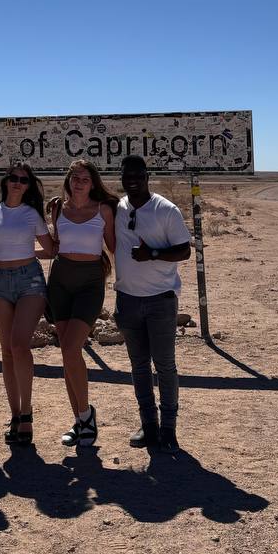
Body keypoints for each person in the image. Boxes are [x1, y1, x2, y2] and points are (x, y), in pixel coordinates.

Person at [114, 156, 192, 451]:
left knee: (165, 365)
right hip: (127, 299)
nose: (133, 180)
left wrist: (154, 254)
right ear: (121, 178)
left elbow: (184, 251)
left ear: (147, 176)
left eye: (138, 175)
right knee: (139, 366)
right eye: (127, 175)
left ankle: (168, 429)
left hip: (160, 300)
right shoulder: (119, 208)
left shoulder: (166, 210)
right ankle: (148, 425)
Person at [0, 162, 56, 447]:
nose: (17, 183)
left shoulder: (31, 214)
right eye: (13, 178)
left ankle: (27, 413)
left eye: (24, 180)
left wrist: (27, 252)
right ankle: (14, 414)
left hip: (30, 281)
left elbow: (50, 249)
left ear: (28, 186)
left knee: (19, 345)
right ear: (6, 181)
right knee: (7, 351)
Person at [46, 158, 116, 447]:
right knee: (67, 353)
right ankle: (79, 420)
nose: (79, 183)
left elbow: (115, 246)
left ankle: (86, 414)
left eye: (85, 179)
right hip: (60, 282)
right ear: (69, 180)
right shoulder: (58, 208)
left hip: (90, 283)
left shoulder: (103, 210)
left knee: (71, 347)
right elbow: (55, 245)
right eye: (75, 177)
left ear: (93, 183)